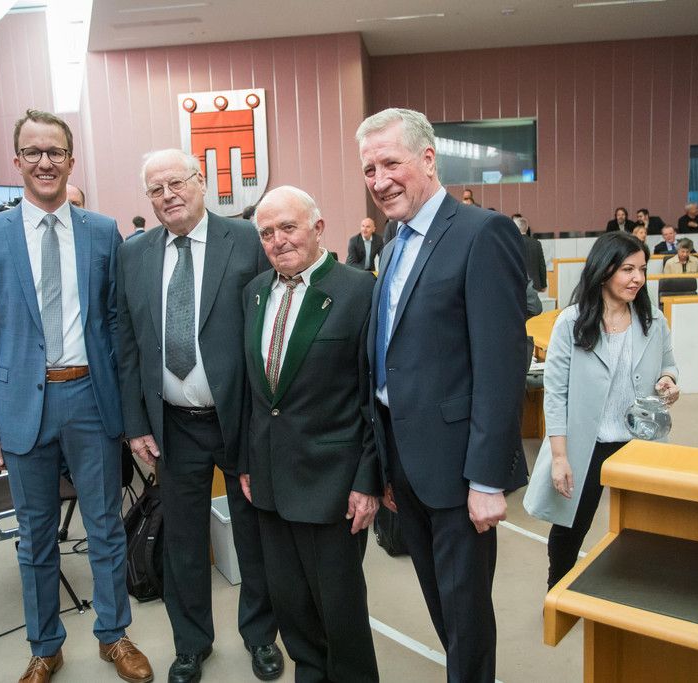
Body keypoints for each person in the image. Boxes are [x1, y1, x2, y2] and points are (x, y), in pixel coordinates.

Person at [0, 109, 152, 683]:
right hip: (22, 406)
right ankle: (45, 646)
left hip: (90, 400)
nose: (45, 162)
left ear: (71, 160)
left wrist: (129, 410)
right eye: (33, 152)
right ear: (17, 161)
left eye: (55, 152)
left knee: (105, 526)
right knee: (36, 537)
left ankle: (114, 636)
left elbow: (116, 325)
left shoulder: (101, 231)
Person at [358, 108, 528, 682]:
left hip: (459, 468)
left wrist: (487, 479)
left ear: (428, 159)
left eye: (391, 163)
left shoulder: (482, 233)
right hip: (406, 461)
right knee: (441, 606)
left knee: (466, 615)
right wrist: (386, 465)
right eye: (369, 170)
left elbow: (501, 365)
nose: (379, 180)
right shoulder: (391, 242)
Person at [116, 149, 282, 683]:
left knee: (253, 535)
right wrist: (135, 424)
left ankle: (261, 636)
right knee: (183, 542)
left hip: (239, 419)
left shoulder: (246, 240)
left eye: (177, 183)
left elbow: (271, 325)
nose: (168, 195)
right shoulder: (134, 254)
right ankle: (190, 645)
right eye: (155, 189)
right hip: (173, 425)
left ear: (201, 181)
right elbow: (126, 343)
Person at [240, 186, 381, 683]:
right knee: (291, 604)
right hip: (270, 481)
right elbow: (255, 393)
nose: (277, 240)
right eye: (266, 233)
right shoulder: (255, 292)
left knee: (340, 610)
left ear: (318, 228)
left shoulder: (358, 291)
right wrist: (247, 463)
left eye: (288, 227)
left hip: (333, 484)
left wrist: (368, 480)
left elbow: (371, 397)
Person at [523, 231, 679, 589]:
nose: (638, 278)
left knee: (644, 527)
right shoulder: (571, 323)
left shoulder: (653, 321)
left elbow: (669, 365)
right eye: (628, 269)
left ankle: (633, 596)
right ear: (604, 270)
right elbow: (556, 394)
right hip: (588, 444)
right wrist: (560, 457)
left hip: (639, 443)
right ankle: (558, 594)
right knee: (570, 527)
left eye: (642, 269)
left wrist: (669, 381)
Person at [515, 216, 548, 291]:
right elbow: (542, 265)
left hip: (517, 284)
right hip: (535, 284)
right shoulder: (536, 243)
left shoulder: (513, 243)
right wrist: (544, 285)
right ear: (527, 228)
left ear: (516, 228)